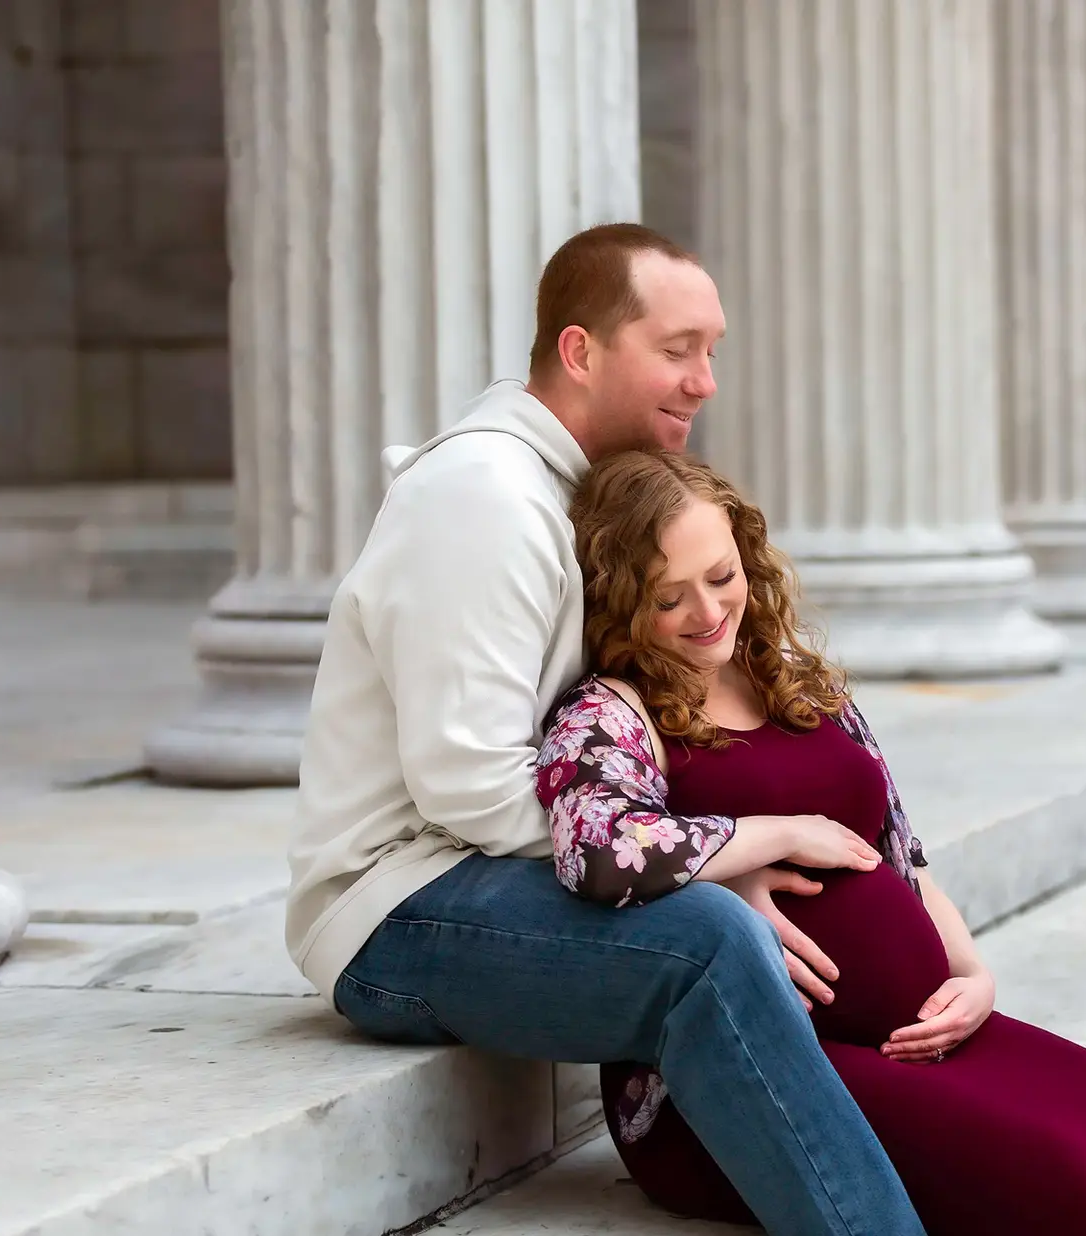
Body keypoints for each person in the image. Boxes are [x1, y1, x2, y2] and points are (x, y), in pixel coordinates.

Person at [284, 224, 927, 1236]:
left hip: (501, 876)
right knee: (709, 943)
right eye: (678, 351)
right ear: (581, 352)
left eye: (711, 351)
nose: (705, 381)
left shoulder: (566, 492)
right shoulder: (483, 498)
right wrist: (705, 856)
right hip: (397, 910)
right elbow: (467, 786)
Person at [543, 449, 1086, 1235]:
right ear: (621, 601)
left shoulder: (790, 681)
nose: (708, 610)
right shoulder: (610, 714)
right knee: (1072, 1177)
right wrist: (766, 840)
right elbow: (597, 849)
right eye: (670, 596)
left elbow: (900, 857)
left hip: (917, 1036)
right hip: (751, 1072)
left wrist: (973, 975)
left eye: (721, 575)